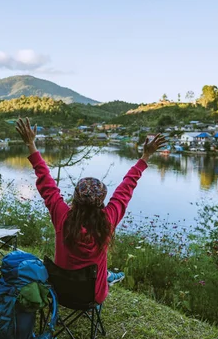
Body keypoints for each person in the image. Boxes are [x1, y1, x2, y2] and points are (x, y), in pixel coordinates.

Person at [15, 117, 165, 304]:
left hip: (60, 292)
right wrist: (145, 157)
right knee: (99, 274)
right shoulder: (107, 220)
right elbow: (126, 188)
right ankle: (109, 276)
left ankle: (108, 275)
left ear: (76, 198)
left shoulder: (62, 216)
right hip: (91, 296)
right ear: (101, 202)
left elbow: (46, 181)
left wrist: (31, 144)